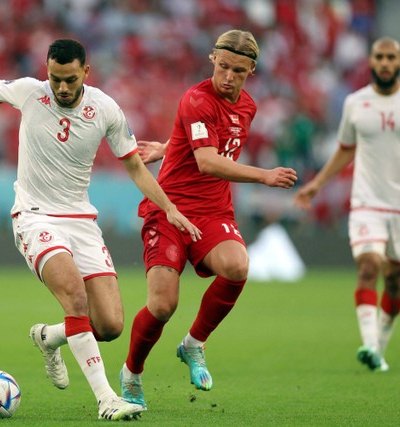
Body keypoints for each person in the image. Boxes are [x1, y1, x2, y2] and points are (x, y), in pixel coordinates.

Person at [0, 30, 202, 420]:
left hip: (80, 219)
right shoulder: (30, 93)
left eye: (71, 79)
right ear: (46, 72)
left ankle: (49, 337)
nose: (63, 88)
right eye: (56, 79)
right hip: (34, 216)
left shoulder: (106, 109)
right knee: (75, 299)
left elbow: (135, 165)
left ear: (87, 71)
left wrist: (168, 207)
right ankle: (106, 399)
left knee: (110, 324)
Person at [118, 29, 298, 408]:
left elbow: (210, 141)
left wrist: (170, 145)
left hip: (213, 211)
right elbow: (207, 160)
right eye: (223, 66)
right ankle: (132, 372)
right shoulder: (196, 98)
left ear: (251, 70)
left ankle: (193, 344)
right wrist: (265, 176)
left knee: (237, 266)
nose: (228, 76)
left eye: (238, 70)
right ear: (212, 60)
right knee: (164, 304)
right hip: (169, 209)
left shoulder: (247, 106)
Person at [294, 37, 400, 372]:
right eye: (379, 57)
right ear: (372, 62)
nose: (386, 62)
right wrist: (317, 183)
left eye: (391, 57)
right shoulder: (355, 103)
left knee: (395, 280)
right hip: (367, 202)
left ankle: (381, 347)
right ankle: (370, 343)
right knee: (368, 266)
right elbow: (346, 148)